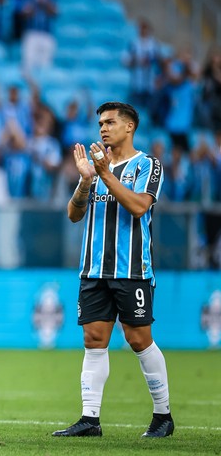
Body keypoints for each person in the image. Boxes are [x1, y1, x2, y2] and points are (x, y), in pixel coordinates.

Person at [54, 102, 173, 438]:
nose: (103, 129)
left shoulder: (147, 164)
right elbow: (74, 214)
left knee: (138, 339)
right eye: (100, 124)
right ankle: (89, 419)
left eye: (110, 122)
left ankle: (163, 416)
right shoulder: (95, 167)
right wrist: (85, 182)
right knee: (93, 339)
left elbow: (139, 207)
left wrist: (104, 174)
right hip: (93, 269)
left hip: (131, 269)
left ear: (129, 126)